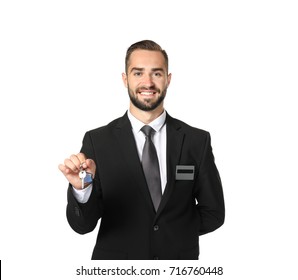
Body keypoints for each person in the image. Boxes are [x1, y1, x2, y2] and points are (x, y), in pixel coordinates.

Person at [58, 40, 225, 260]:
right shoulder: (97, 141)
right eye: (138, 73)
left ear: (168, 79)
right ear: (125, 79)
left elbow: (214, 213)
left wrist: (173, 233)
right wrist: (82, 190)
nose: (148, 82)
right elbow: (82, 226)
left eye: (156, 74)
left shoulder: (197, 140)